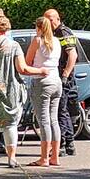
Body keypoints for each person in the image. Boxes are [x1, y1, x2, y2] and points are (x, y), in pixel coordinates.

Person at [0, 14, 43, 168]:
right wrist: (41, 70)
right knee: (10, 124)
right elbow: (22, 68)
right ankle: (11, 158)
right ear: (8, 28)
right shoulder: (14, 46)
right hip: (9, 90)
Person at [26, 16, 63, 167]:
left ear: (39, 27)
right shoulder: (57, 41)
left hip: (41, 81)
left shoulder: (37, 40)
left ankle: (44, 158)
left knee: (43, 120)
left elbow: (27, 62)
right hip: (56, 81)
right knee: (53, 119)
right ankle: (55, 156)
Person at [44, 8, 79, 156]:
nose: (48, 22)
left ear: (57, 19)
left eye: (50, 20)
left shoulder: (63, 32)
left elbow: (73, 55)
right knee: (62, 110)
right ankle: (69, 144)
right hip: (58, 77)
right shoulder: (53, 33)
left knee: (60, 111)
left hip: (63, 78)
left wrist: (65, 75)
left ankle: (64, 144)